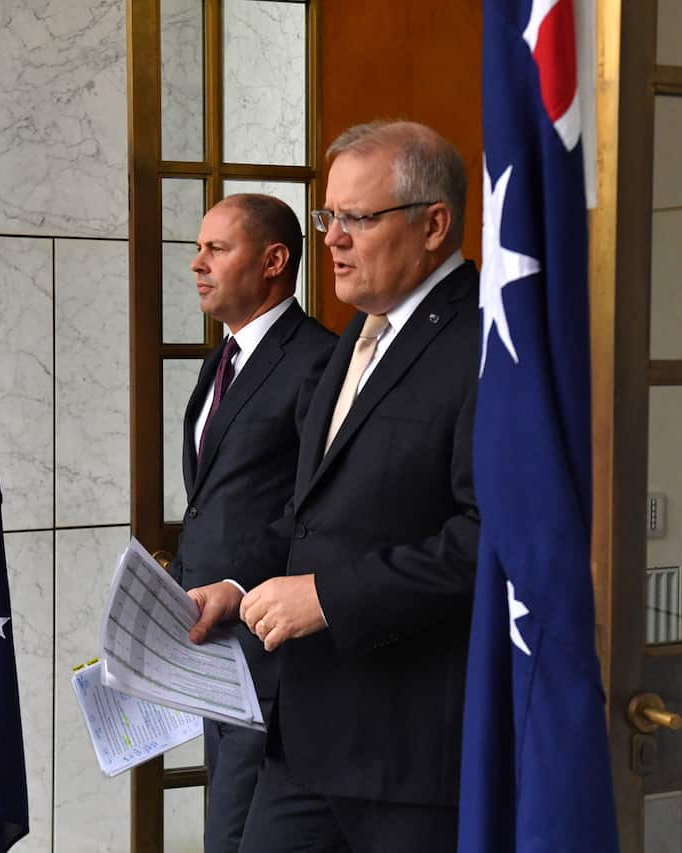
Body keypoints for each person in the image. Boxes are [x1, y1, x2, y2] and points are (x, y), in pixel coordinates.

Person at [186, 121, 480, 853]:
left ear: (434, 224)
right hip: (306, 731)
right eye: (328, 218)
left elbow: (492, 539)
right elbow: (310, 516)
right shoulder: (357, 333)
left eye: (357, 218)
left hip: (408, 753)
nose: (334, 238)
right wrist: (240, 584)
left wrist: (327, 597)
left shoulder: (483, 341)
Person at [173, 193, 336, 853]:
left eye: (217, 248)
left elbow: (317, 514)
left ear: (274, 261)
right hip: (212, 643)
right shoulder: (223, 358)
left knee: (237, 839)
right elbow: (224, 497)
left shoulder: (318, 361)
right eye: (199, 246)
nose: (197, 263)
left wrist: (242, 587)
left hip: (272, 655)